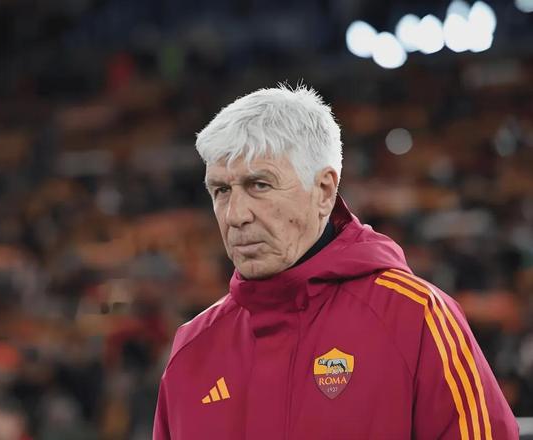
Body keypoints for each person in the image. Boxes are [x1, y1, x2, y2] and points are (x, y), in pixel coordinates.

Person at [152, 86, 519, 439]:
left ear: (325, 190)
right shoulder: (192, 348)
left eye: (259, 185)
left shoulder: (416, 316)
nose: (235, 215)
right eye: (221, 190)